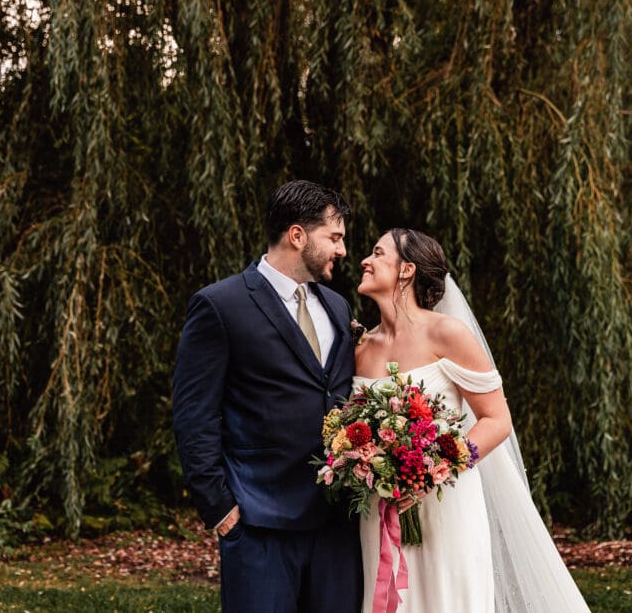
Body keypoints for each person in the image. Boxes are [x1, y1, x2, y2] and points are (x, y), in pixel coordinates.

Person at [354, 228, 589, 612]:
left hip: (445, 502)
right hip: (382, 510)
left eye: (378, 253)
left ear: (407, 270)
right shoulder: (361, 347)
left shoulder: (447, 333)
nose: (365, 260)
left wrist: (433, 473)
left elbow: (496, 419)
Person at [172, 180, 363, 612]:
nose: (343, 251)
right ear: (297, 236)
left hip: (337, 526)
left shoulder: (338, 306)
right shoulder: (220, 305)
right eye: (334, 238)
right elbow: (194, 416)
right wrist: (221, 510)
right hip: (260, 524)